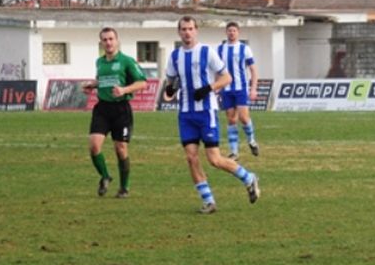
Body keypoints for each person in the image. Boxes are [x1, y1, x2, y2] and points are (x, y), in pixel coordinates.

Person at [162, 16, 260, 214]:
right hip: (185, 114)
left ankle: (249, 178)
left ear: (196, 30)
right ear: (179, 32)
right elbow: (170, 82)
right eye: (183, 29)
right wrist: (170, 90)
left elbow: (227, 77)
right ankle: (208, 201)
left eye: (190, 29)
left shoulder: (207, 52)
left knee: (214, 159)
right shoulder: (174, 56)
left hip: (207, 113)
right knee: (191, 158)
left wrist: (209, 88)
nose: (187, 32)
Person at [82, 27, 148, 198]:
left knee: (121, 149)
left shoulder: (127, 61)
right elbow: (103, 80)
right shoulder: (100, 62)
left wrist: (124, 89)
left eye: (111, 39)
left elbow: (142, 83)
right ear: (101, 43)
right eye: (105, 40)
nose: (108, 42)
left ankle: (124, 187)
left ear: (117, 41)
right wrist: (93, 85)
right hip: (102, 108)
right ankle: (105, 176)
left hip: (121, 109)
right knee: (94, 146)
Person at [216, 21, 260, 160]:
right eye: (229, 30)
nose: (231, 33)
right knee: (231, 119)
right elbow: (217, 70)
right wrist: (216, 86)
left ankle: (252, 141)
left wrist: (253, 89)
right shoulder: (220, 49)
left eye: (234, 30)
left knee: (243, 117)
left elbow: (253, 70)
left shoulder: (244, 49)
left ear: (238, 32)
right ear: (226, 32)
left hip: (240, 88)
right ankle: (234, 152)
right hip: (226, 89)